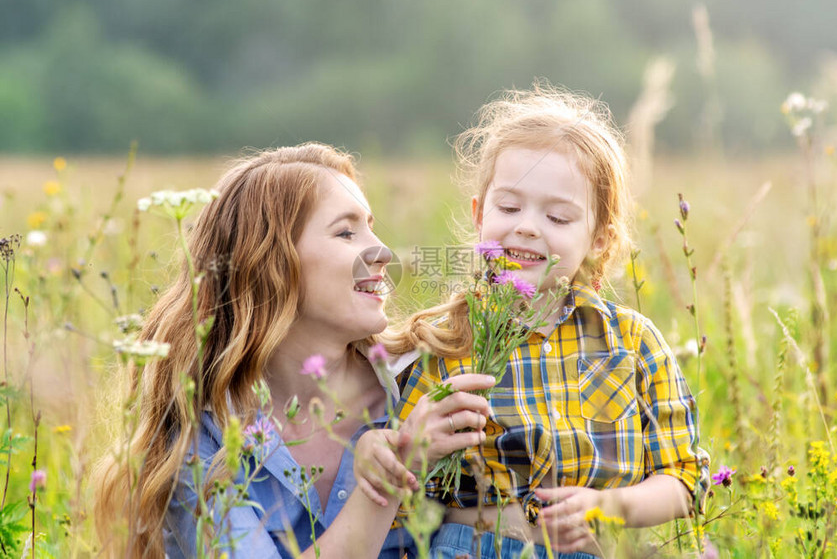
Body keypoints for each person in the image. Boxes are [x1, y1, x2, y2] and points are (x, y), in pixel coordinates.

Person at [93, 144, 493, 558]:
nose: (383, 253)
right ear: (271, 263)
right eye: (346, 232)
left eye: (371, 227)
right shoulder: (202, 440)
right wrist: (398, 469)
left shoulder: (421, 384)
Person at [380, 84, 706, 558]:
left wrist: (608, 506)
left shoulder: (632, 342)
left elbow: (685, 478)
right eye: (509, 208)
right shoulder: (442, 342)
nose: (528, 226)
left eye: (558, 216)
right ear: (478, 215)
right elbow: (402, 495)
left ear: (599, 239)